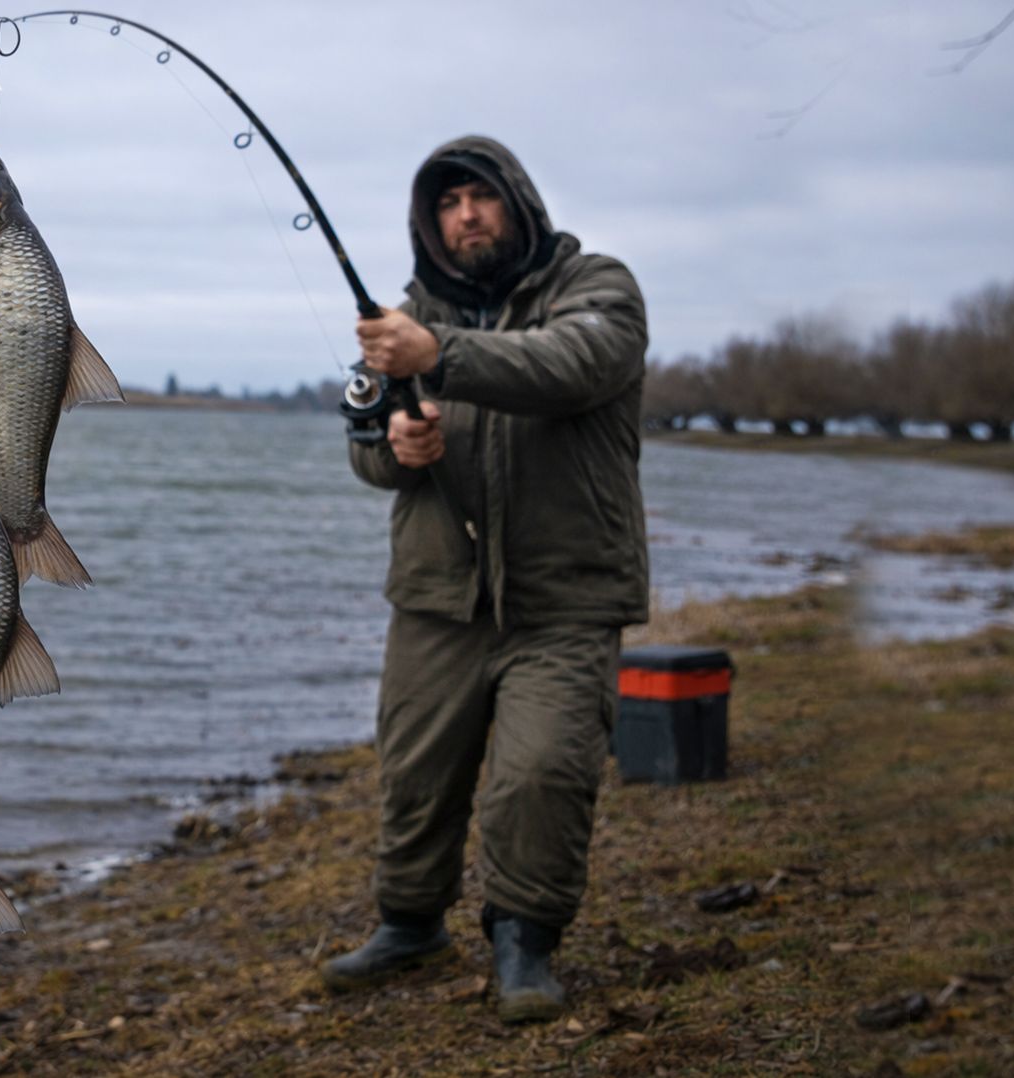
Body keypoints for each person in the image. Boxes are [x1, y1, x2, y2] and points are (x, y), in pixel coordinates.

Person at [322, 135, 649, 1024]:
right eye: (447, 204)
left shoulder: (599, 288)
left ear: (519, 203)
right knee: (415, 773)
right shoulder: (404, 322)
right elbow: (369, 453)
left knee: (542, 775)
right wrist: (397, 447)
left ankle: (525, 944)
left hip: (567, 596)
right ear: (429, 225)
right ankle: (409, 924)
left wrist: (437, 353)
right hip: (437, 597)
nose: (464, 216)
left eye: (481, 198)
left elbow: (573, 366)